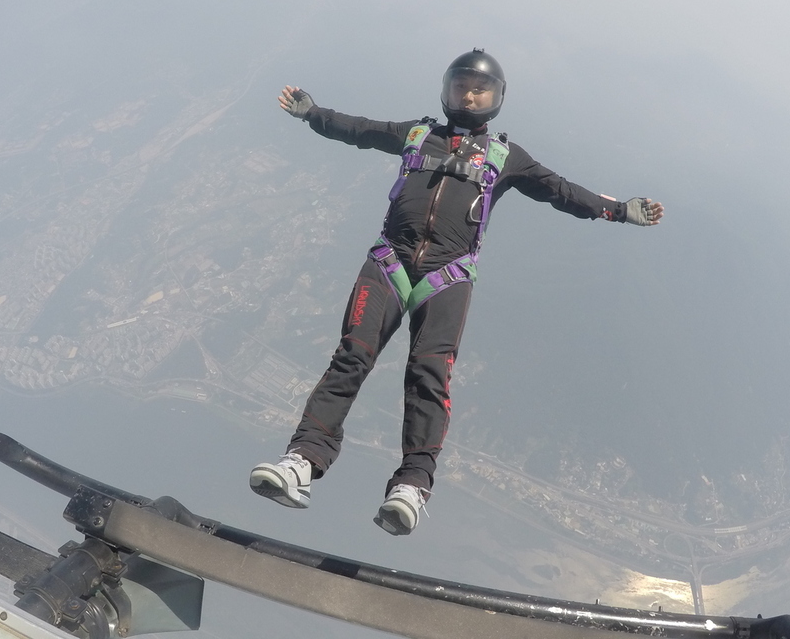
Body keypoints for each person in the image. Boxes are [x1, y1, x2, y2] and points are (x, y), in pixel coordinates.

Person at [249, 49, 664, 536]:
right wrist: (313, 113)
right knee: (351, 357)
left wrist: (617, 210)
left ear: (497, 98)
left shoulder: (507, 158)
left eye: (479, 88)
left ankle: (411, 486)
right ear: (446, 90)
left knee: (428, 376)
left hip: (447, 276)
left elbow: (562, 191)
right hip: (388, 261)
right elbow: (360, 129)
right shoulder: (417, 135)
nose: (468, 95)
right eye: (460, 86)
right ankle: (301, 460)